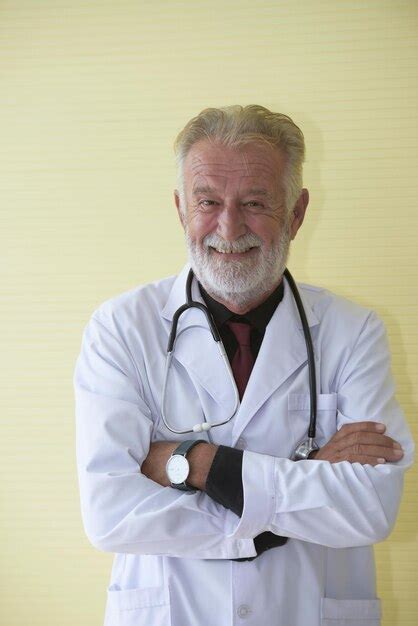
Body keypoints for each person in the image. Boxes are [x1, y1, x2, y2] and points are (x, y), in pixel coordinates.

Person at [74, 105, 414, 626]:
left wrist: (198, 464)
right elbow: (112, 514)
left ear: (296, 213)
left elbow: (370, 507)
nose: (228, 227)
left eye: (255, 202)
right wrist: (306, 483)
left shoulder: (354, 331)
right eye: (208, 201)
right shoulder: (121, 327)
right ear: (181, 209)